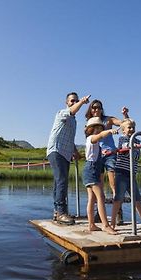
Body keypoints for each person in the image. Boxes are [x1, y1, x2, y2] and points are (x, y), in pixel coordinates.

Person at [47, 92, 91, 225]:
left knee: (59, 182)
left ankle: (57, 211)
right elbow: (72, 110)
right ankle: (61, 212)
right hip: (56, 150)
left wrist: (76, 152)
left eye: (76, 100)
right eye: (72, 101)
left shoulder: (74, 121)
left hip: (66, 154)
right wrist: (82, 102)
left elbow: (70, 139)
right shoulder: (62, 113)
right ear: (67, 102)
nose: (74, 102)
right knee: (62, 181)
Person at [85, 100, 129, 198]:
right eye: (94, 107)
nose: (96, 109)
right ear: (90, 109)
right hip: (97, 155)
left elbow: (123, 124)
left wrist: (125, 115)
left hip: (110, 153)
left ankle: (118, 209)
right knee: (98, 184)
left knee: (113, 182)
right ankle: (99, 210)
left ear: (102, 109)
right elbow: (89, 140)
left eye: (99, 107)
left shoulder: (108, 119)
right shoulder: (89, 123)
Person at [111, 118, 141, 230]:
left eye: (133, 127)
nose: (132, 129)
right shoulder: (122, 139)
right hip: (121, 173)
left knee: (137, 198)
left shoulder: (137, 141)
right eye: (129, 128)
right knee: (118, 198)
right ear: (123, 130)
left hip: (131, 174)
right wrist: (132, 148)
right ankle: (112, 223)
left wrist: (135, 148)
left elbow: (136, 157)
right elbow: (125, 148)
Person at [83, 117, 118, 235]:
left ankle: (91, 224)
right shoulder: (92, 138)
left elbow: (94, 152)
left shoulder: (94, 143)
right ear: (91, 129)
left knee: (92, 198)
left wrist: (102, 152)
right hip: (91, 169)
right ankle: (105, 225)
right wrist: (109, 131)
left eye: (100, 128)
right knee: (101, 197)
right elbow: (100, 136)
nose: (98, 130)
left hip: (91, 169)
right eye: (96, 128)